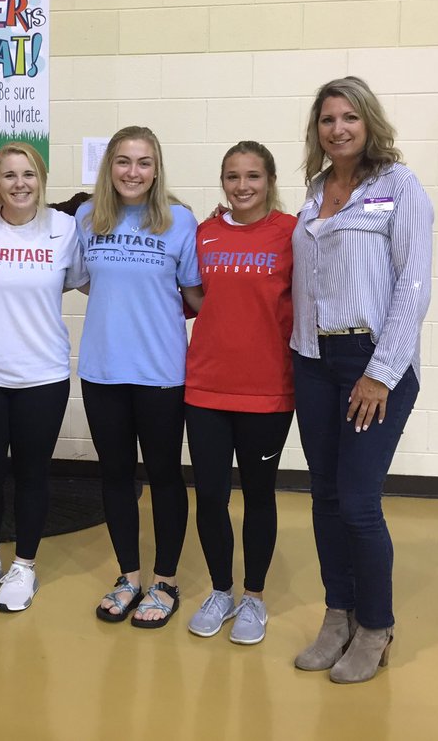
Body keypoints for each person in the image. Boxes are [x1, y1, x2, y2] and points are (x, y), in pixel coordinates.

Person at [290, 76, 433, 683]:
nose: (338, 129)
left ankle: (375, 627)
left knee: (357, 501)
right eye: (327, 120)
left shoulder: (399, 187)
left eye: (349, 117)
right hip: (313, 363)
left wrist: (380, 371)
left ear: (369, 122)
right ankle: (337, 614)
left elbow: (414, 284)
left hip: (373, 363)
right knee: (323, 497)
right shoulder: (316, 190)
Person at [0, 143, 88, 613]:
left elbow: (81, 280)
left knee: (32, 474)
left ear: (42, 177)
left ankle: (24, 565)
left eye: (28, 174)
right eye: (8, 175)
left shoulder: (65, 228)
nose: (19, 184)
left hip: (42, 375)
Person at [76, 126, 201, 628]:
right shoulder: (89, 218)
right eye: (123, 162)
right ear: (110, 167)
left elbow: (194, 297)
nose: (133, 172)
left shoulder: (180, 221)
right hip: (102, 370)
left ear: (157, 168)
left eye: (143, 162)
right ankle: (129, 575)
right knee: (116, 477)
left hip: (162, 373)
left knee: (166, 476)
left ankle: (165, 580)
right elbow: (87, 283)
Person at [180, 141, 296, 646]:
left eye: (252, 176)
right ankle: (222, 590)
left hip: (267, 392)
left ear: (269, 180)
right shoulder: (203, 233)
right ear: (222, 181)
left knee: (258, 495)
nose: (242, 186)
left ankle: (254, 596)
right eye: (232, 176)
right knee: (209, 496)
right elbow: (195, 295)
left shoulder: (292, 233)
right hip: (205, 386)